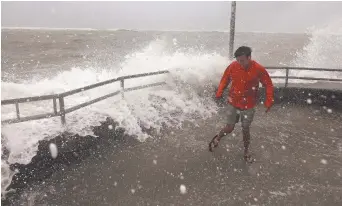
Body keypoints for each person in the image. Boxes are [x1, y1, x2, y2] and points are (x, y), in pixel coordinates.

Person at [209, 46, 274, 163]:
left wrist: (269, 100)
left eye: (242, 60)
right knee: (229, 128)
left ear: (249, 57)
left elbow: (268, 84)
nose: (240, 63)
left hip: (249, 105)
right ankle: (218, 138)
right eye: (238, 60)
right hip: (233, 102)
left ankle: (246, 151)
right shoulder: (233, 66)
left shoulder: (258, 69)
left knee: (245, 129)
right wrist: (219, 92)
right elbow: (225, 79)